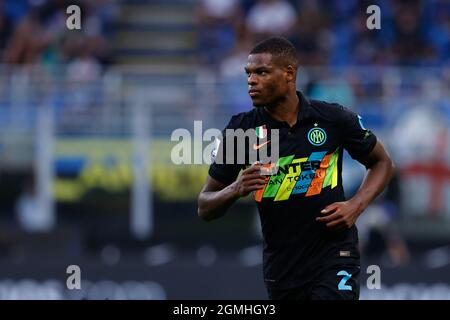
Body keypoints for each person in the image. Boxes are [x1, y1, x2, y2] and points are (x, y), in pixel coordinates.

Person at [197, 36, 395, 300]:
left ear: (289, 74)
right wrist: (236, 188)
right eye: (249, 74)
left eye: (262, 72)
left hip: (335, 255)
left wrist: (355, 205)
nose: (251, 81)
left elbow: (382, 163)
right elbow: (205, 206)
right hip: (282, 268)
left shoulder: (332, 118)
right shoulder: (241, 131)